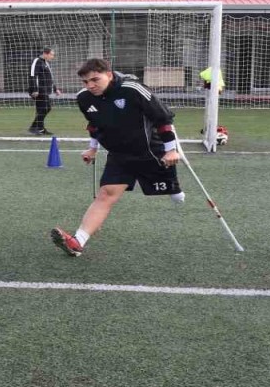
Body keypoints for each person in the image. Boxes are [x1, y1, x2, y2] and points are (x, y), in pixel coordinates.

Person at [50, 58, 182, 257]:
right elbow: (95, 125)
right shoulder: (84, 98)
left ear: (109, 75)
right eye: (86, 82)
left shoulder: (133, 89)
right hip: (119, 155)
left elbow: (163, 118)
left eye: (95, 80)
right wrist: (92, 148)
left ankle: (175, 188)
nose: (90, 86)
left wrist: (171, 149)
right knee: (106, 195)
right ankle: (78, 242)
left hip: (151, 151)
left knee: (177, 196)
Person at [27, 47, 61, 135]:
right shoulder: (37, 61)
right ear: (45, 53)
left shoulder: (46, 63)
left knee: (41, 109)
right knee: (46, 107)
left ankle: (40, 129)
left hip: (45, 90)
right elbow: (32, 75)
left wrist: (55, 88)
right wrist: (35, 89)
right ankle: (34, 127)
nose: (52, 57)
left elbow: (50, 78)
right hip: (38, 91)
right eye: (51, 54)